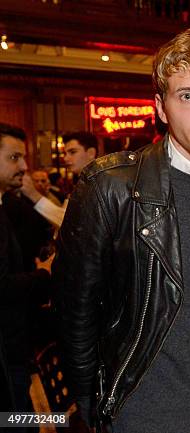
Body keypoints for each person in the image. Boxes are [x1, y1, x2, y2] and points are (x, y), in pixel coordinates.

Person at [53, 29, 190, 433]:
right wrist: (92, 410)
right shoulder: (109, 187)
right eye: (187, 96)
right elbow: (74, 312)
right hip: (141, 418)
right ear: (161, 109)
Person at [0, 123, 54, 426]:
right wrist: (44, 275)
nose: (23, 166)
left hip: (15, 349)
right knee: (16, 421)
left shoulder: (6, 205)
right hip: (7, 354)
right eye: (13, 158)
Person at [20, 131, 98, 228]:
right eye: (65, 153)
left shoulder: (98, 184)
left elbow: (70, 223)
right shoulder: (84, 181)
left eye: (73, 152)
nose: (65, 158)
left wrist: (33, 194)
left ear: (91, 153)